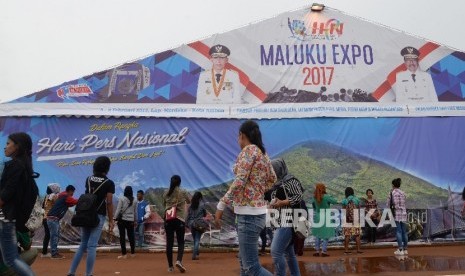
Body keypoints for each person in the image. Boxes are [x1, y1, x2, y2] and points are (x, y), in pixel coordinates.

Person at [215, 120, 277, 276]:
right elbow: (272, 178)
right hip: (257, 213)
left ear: (241, 135)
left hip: (248, 214)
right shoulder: (263, 153)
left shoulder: (248, 151)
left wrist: (221, 204)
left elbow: (240, 181)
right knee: (244, 264)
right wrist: (257, 190)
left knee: (251, 267)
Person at [67, 156, 115, 276]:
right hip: (99, 215)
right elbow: (109, 202)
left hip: (85, 213)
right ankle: (88, 274)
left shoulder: (88, 179)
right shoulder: (109, 183)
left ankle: (71, 272)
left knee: (83, 244)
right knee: (92, 245)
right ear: (107, 167)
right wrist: (111, 220)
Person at [0, 132, 37, 276]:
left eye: (8, 143)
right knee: (11, 259)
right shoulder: (25, 167)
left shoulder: (15, 165)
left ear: (17, 146)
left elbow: (6, 194)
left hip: (4, 219)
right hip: (10, 219)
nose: (5, 147)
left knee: (11, 259)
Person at [268, 158, 303, 276]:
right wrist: (271, 205)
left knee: (276, 251)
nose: (271, 172)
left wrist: (282, 203)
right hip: (278, 222)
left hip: (288, 221)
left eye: (273, 169)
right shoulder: (276, 183)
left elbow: (298, 197)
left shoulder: (290, 181)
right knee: (289, 254)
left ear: (279, 169)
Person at [163, 175, 190, 273]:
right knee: (181, 242)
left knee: (169, 243)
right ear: (180, 182)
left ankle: (170, 267)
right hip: (179, 219)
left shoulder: (166, 192)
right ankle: (179, 260)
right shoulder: (183, 191)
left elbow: (164, 204)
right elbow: (189, 201)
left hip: (168, 219)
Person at [46, 184, 78, 259]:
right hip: (53, 219)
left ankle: (54, 252)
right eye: (72, 192)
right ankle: (54, 254)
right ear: (70, 191)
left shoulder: (62, 195)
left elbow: (70, 203)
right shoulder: (66, 196)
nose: (73, 194)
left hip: (52, 218)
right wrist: (84, 199)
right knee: (54, 236)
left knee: (54, 236)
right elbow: (74, 201)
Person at [311, 183, 338, 257]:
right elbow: (335, 201)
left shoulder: (314, 197)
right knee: (326, 234)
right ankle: (324, 251)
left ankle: (317, 250)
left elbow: (313, 206)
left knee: (318, 234)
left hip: (318, 216)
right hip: (326, 216)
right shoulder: (326, 197)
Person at [114, 186, 136, 259]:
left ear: (125, 191)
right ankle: (133, 253)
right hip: (131, 221)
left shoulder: (122, 199)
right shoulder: (135, 200)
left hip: (122, 221)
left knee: (122, 237)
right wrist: (135, 220)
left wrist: (114, 218)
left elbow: (118, 209)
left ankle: (124, 254)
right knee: (131, 237)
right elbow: (135, 212)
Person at [387, 178, 408, 256]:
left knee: (398, 231)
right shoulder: (403, 193)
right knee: (404, 232)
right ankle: (405, 249)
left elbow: (388, 204)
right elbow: (405, 202)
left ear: (393, 185)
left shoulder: (391, 193)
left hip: (396, 213)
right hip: (404, 213)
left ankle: (400, 249)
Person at [41, 183, 61, 258]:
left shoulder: (46, 196)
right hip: (50, 218)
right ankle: (54, 252)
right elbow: (57, 204)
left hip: (45, 218)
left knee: (47, 235)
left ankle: (44, 252)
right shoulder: (53, 195)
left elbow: (43, 206)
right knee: (54, 235)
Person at [186, 191, 207, 260]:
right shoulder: (202, 205)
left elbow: (188, 215)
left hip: (191, 224)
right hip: (199, 223)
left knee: (195, 239)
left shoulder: (191, 206)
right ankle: (194, 255)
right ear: (200, 197)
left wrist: (186, 223)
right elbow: (205, 214)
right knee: (197, 239)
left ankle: (196, 252)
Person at [341, 187, 362, 255]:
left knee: (347, 235)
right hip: (355, 218)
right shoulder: (356, 199)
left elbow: (343, 210)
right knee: (357, 235)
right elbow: (358, 209)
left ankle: (346, 250)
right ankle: (358, 250)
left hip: (347, 219)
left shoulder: (344, 200)